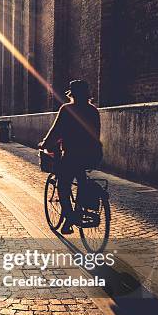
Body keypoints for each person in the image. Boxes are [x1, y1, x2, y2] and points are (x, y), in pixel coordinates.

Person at [39, 79, 102, 234]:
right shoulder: (93, 110)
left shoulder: (67, 109)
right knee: (81, 180)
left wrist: (45, 144)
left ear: (72, 94)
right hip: (93, 155)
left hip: (73, 155)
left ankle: (70, 216)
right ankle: (73, 217)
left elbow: (55, 131)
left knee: (63, 185)